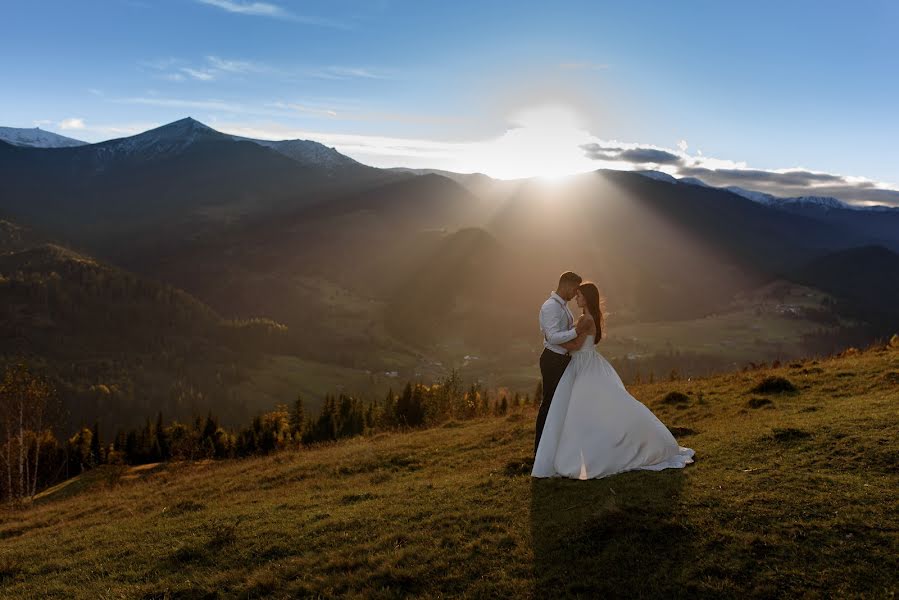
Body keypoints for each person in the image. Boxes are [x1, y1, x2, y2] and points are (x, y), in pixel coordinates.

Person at [532, 281, 695, 479]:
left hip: (583, 364)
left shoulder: (585, 319)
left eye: (580, 295)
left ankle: (596, 449)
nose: (576, 297)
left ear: (587, 298)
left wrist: (550, 339)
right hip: (586, 362)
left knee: (582, 408)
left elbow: (575, 345)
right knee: (589, 408)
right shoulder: (590, 317)